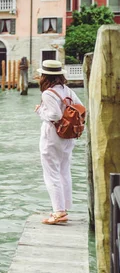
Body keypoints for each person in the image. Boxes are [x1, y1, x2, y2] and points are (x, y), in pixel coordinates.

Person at [34, 60, 83, 225]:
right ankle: (63, 207)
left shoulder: (48, 93)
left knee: (51, 173)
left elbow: (54, 115)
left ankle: (58, 212)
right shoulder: (67, 90)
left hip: (52, 137)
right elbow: (81, 108)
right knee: (64, 171)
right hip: (68, 137)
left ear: (45, 76)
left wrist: (40, 111)